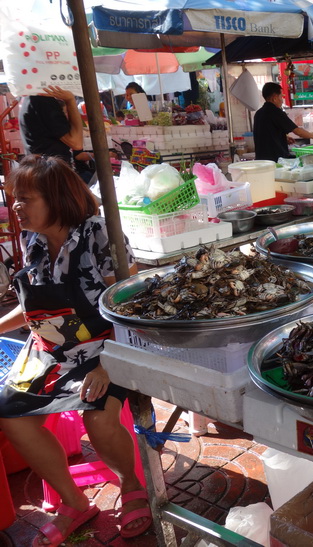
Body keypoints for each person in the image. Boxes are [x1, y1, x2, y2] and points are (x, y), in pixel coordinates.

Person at [0, 155, 150, 545]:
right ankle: (73, 502)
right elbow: (32, 306)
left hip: (105, 347)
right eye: (14, 198)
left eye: (25, 198)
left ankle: (131, 485)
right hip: (49, 351)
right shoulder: (34, 243)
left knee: (98, 419)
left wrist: (108, 363)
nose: (16, 206)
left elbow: (132, 304)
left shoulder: (99, 234)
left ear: (58, 197)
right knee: (10, 413)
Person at [253, 82, 313, 162]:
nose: (282, 101)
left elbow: (266, 133)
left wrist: (284, 138)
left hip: (261, 159)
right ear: (275, 98)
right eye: (281, 96)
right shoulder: (276, 112)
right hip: (275, 160)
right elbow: (297, 131)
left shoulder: (259, 113)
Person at [19, 86, 83, 165]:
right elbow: (76, 143)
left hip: (42, 167)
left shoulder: (29, 98)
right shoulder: (43, 101)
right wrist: (70, 100)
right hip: (51, 169)